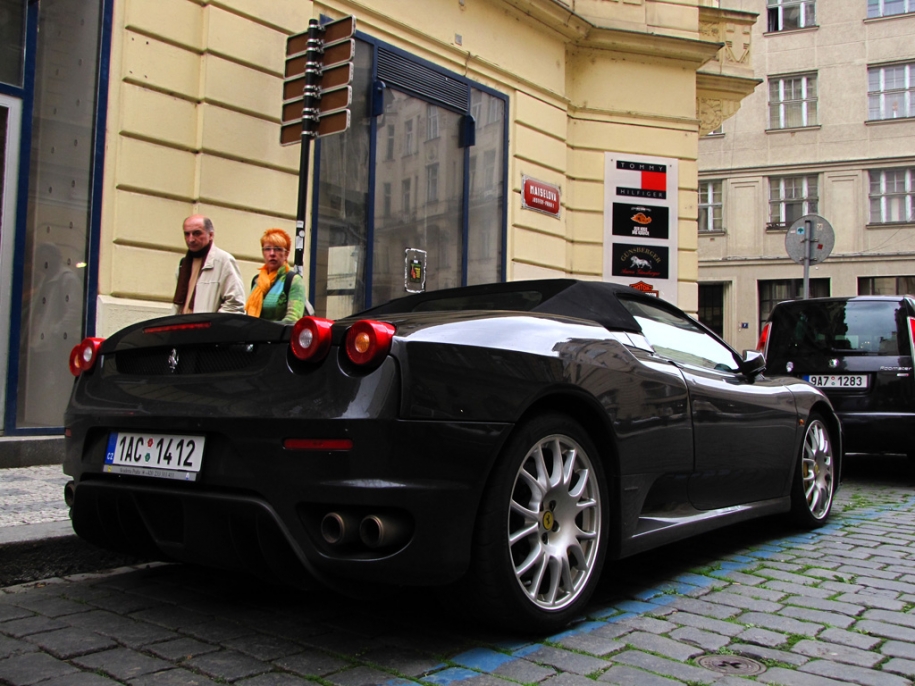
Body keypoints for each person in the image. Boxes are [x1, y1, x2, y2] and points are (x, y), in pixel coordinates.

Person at [171, 214, 246, 314]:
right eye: (187, 234)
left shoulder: (224, 261)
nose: (191, 239)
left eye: (197, 233)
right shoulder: (183, 264)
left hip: (208, 323)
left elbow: (235, 303)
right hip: (184, 323)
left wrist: (212, 322)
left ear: (210, 235)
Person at [245, 228, 312, 323]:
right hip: (254, 332)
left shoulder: (293, 280)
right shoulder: (257, 281)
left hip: (278, 333)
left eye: (278, 249)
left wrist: (264, 328)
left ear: (286, 254)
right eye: (267, 249)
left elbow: (292, 320)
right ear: (263, 253)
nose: (272, 253)